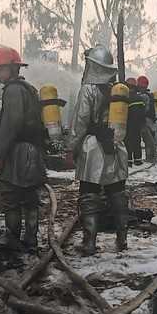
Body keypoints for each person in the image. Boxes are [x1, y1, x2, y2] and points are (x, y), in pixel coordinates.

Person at [65, 44, 130, 255]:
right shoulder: (116, 89)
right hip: (115, 145)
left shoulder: (88, 89)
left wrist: (71, 149)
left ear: (92, 65)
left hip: (93, 148)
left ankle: (89, 242)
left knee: (89, 194)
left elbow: (80, 121)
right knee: (116, 192)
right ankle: (122, 240)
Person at [0, 46, 47, 251]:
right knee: (30, 196)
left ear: (13, 69)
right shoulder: (29, 89)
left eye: (1, 68)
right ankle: (31, 237)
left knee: (11, 195)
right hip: (33, 151)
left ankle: (11, 237)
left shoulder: (13, 90)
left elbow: (10, 125)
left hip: (18, 152)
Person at [125, 77, 146, 166]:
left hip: (128, 124)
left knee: (128, 143)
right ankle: (138, 160)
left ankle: (128, 161)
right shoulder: (139, 98)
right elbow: (143, 112)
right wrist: (142, 124)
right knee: (137, 142)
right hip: (137, 124)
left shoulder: (127, 98)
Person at [137, 75, 157, 164]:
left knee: (148, 140)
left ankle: (150, 158)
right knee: (150, 140)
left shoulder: (144, 96)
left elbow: (145, 109)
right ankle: (151, 157)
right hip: (152, 120)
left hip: (146, 120)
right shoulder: (151, 95)